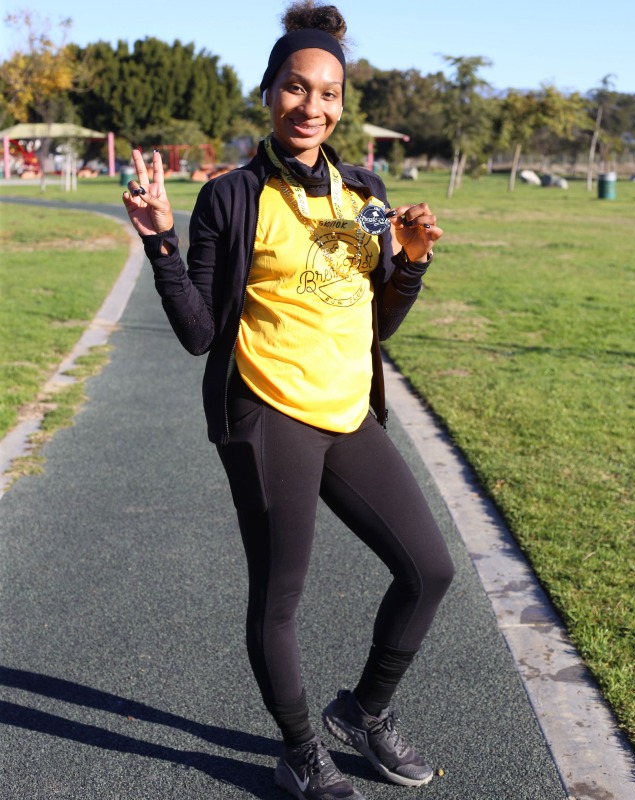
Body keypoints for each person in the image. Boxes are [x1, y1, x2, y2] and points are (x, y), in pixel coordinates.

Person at [122, 3, 454, 798]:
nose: (313, 106)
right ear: (269, 92)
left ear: (344, 103)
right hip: (270, 418)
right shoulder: (232, 197)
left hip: (348, 414)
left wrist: (407, 262)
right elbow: (200, 332)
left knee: (430, 571)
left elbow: (375, 316)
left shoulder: (365, 191)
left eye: (330, 93)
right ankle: (301, 748)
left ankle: (364, 712)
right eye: (296, 88)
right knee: (281, 596)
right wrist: (162, 241)